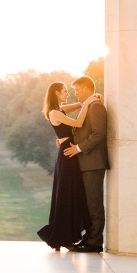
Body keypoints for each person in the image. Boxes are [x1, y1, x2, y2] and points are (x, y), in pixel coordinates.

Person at [37, 81, 101, 250]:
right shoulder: (55, 113)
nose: (68, 94)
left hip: (68, 152)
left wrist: (89, 100)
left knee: (70, 194)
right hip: (67, 154)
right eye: (65, 91)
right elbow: (78, 123)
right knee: (66, 195)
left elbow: (78, 105)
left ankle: (65, 237)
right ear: (57, 93)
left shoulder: (59, 110)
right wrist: (88, 103)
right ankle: (61, 238)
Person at [62, 75, 108, 252]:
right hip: (85, 163)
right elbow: (82, 130)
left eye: (77, 90)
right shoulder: (89, 105)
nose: (76, 93)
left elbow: (98, 133)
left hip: (93, 162)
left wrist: (78, 148)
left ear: (87, 89)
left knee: (94, 203)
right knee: (88, 203)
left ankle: (95, 242)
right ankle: (88, 239)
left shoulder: (96, 106)